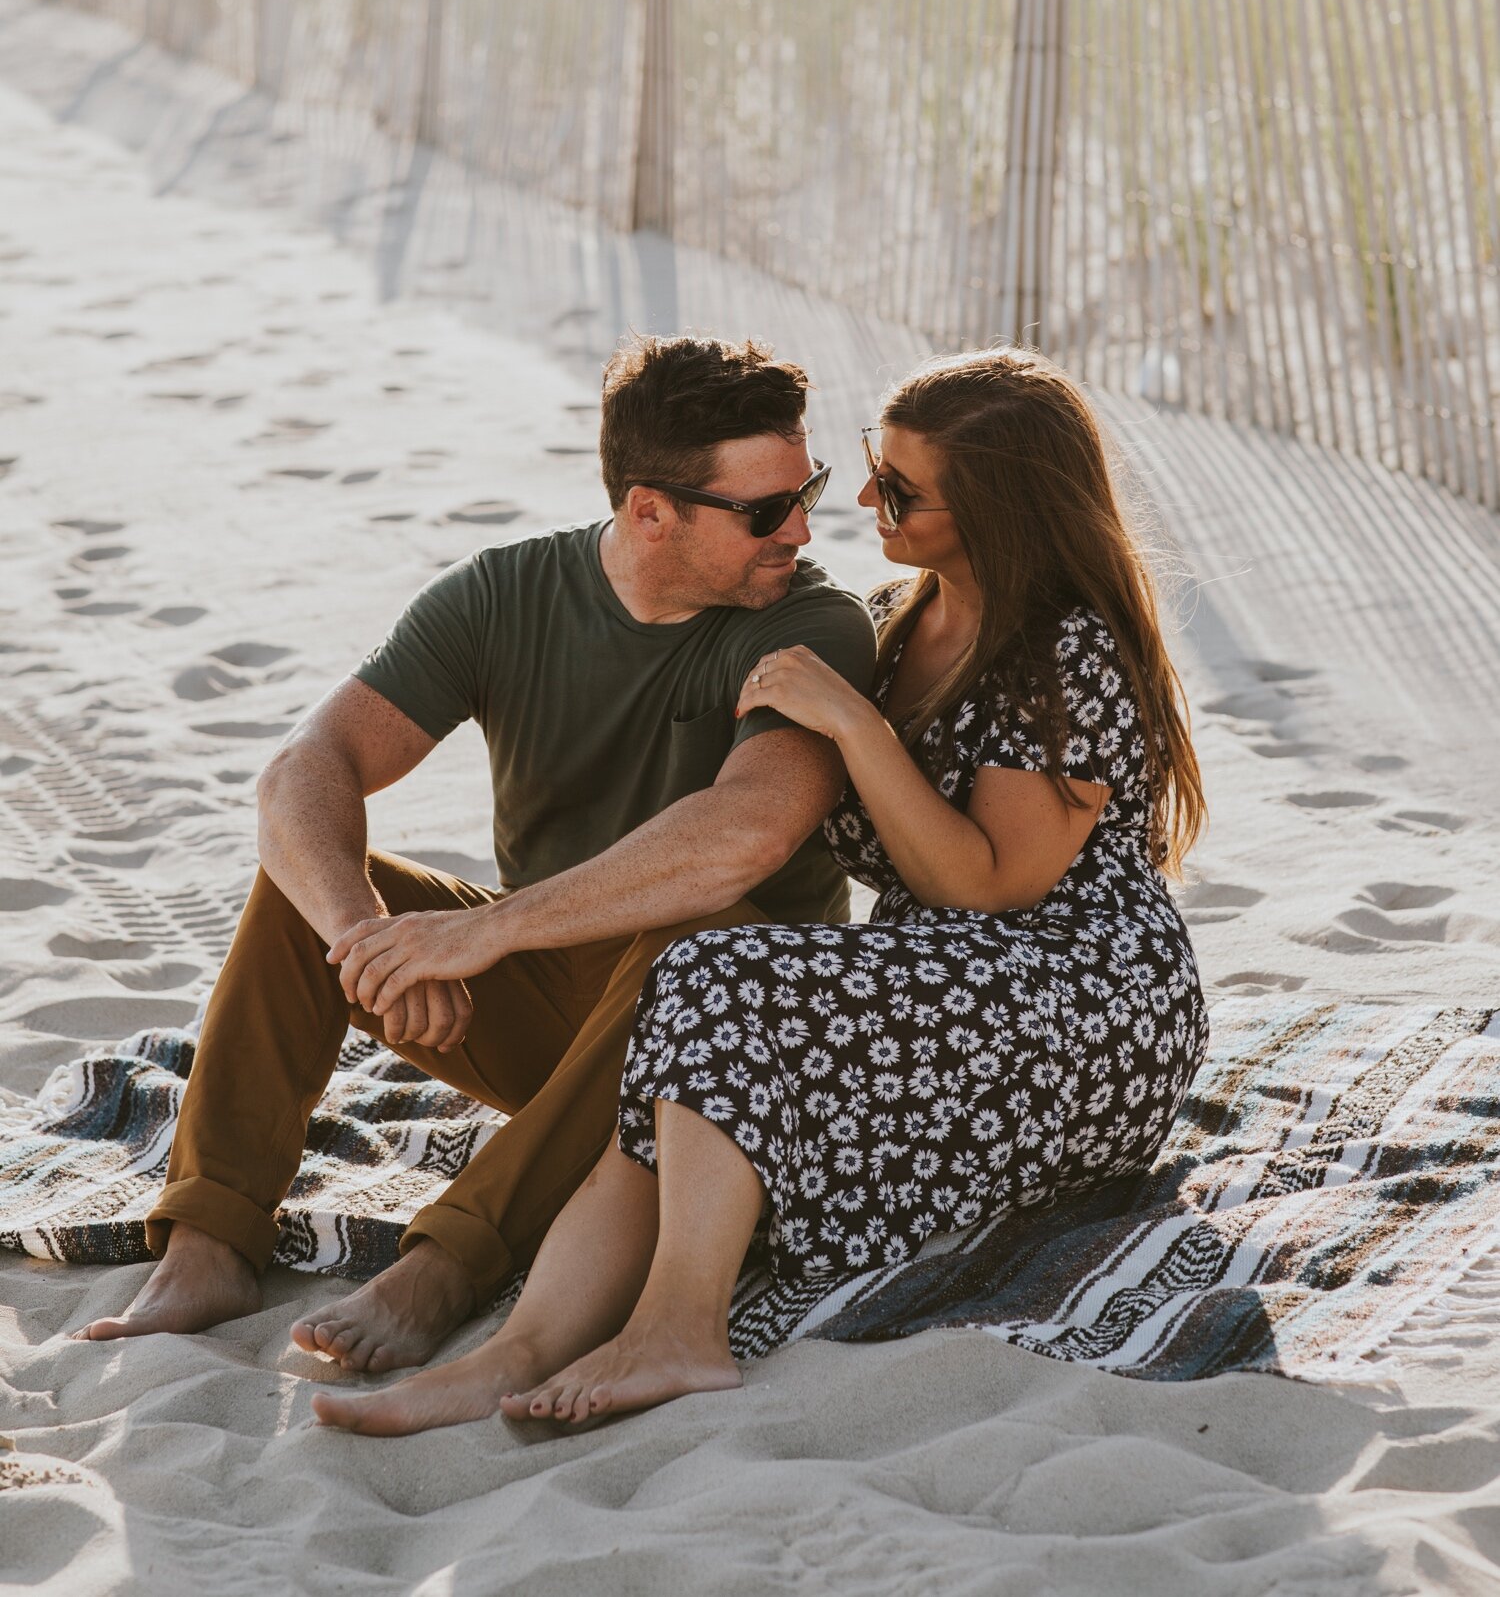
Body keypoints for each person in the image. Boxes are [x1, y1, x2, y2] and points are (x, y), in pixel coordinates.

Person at [310, 346, 1208, 1438]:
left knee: (717, 971)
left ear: (1000, 509)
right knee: (695, 1011)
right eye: (872, 470)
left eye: (903, 489)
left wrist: (856, 725)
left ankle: (678, 1328)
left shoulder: (1067, 650)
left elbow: (985, 890)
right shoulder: (889, 619)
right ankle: (515, 1349)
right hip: (938, 988)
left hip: (1081, 1002)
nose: (866, 499)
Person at [77, 335, 876, 1370]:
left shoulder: (814, 623)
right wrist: (367, 940)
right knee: (308, 880)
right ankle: (210, 1240)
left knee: (705, 936)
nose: (803, 529)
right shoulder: (506, 595)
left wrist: (482, 932)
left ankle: (448, 1263)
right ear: (649, 511)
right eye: (767, 510)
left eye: (803, 490)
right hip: (558, 1016)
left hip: (730, 1062)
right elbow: (303, 770)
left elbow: (744, 837)